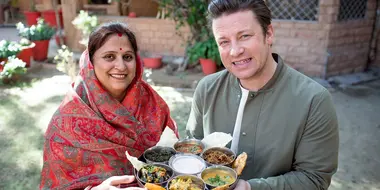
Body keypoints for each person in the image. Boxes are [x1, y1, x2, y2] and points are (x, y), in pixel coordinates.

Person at [186, 0, 339, 189]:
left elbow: (314, 179)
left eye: (245, 36)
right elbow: (191, 150)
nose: (235, 51)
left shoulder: (314, 101)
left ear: (269, 34)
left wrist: (249, 188)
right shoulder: (206, 89)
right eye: (224, 42)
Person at [40, 22, 177, 189]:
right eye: (109, 57)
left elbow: (177, 161)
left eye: (127, 57)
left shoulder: (153, 104)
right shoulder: (65, 123)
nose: (120, 66)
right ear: (90, 62)